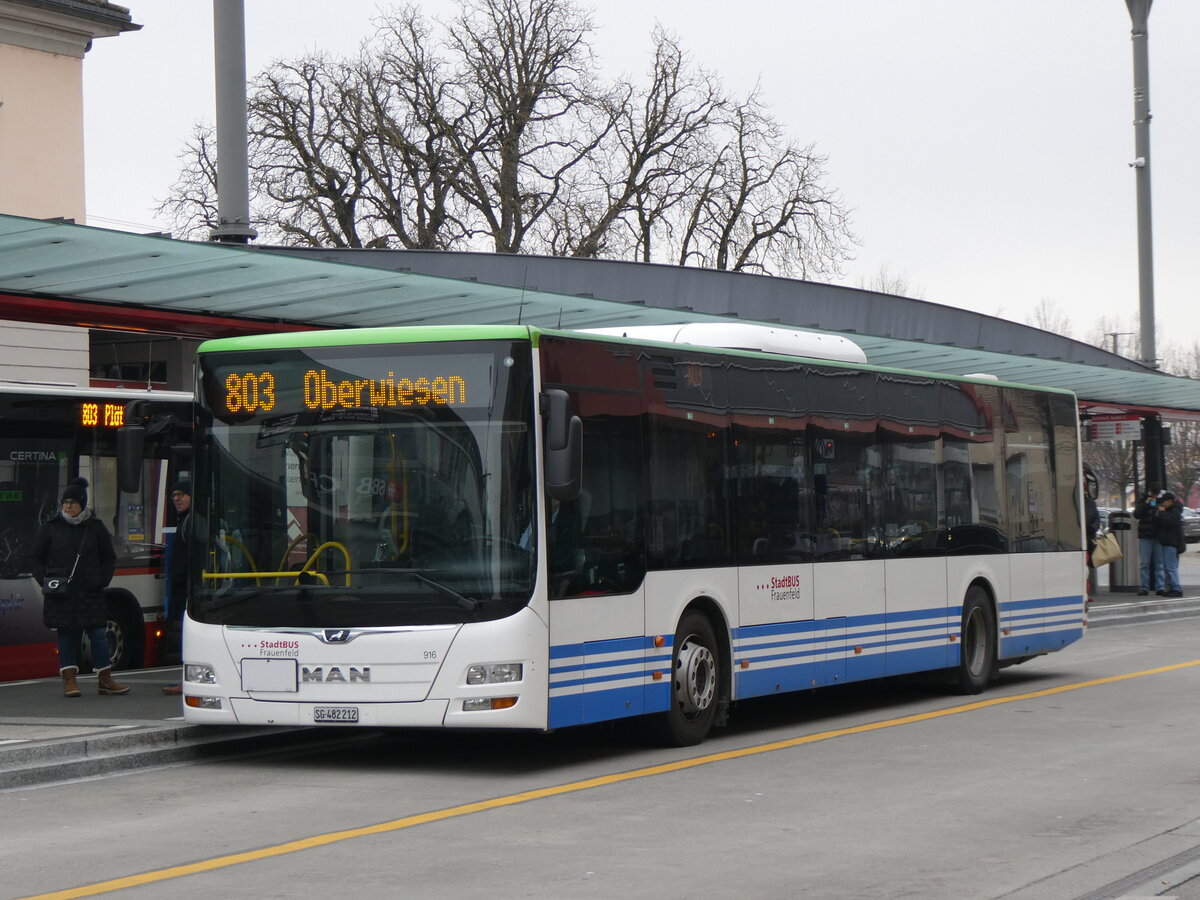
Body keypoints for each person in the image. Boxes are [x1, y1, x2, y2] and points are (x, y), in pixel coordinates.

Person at [30, 477, 128, 697]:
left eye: (72, 502)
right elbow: (35, 558)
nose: (68, 506)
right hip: (62, 593)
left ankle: (105, 678)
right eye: (65, 502)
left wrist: (103, 579)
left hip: (90, 591)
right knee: (66, 635)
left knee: (99, 634)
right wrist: (46, 581)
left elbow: (108, 557)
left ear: (82, 503)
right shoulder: (51, 527)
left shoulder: (95, 528)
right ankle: (69, 680)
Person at [163, 479, 192, 695]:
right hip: (183, 587)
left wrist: (180, 578)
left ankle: (187, 681)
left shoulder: (191, 522)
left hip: (188, 589)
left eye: (182, 494)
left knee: (187, 635)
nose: (176, 498)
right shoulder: (186, 520)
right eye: (174, 494)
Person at [1133, 488, 1163, 596]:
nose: (1154, 496)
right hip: (1145, 536)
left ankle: (1160, 587)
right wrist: (1146, 504)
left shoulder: (1162, 501)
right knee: (1144, 563)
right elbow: (1136, 514)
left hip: (1158, 536)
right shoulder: (1143, 502)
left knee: (1159, 563)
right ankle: (1145, 587)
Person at [1155, 492, 1184, 598]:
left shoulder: (1174, 511)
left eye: (1164, 501)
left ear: (1170, 501)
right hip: (1167, 541)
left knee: (1171, 567)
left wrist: (1161, 513)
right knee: (1168, 567)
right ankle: (1172, 587)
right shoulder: (1171, 511)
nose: (1163, 504)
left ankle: (1176, 588)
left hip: (1171, 542)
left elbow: (1169, 522)